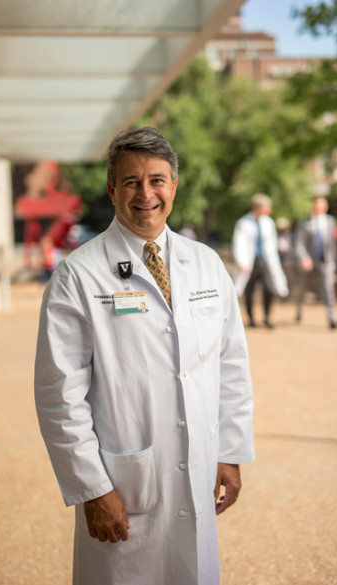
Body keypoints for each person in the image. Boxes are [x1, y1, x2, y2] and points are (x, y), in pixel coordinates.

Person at [34, 127, 255, 585]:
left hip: (195, 472)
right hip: (123, 481)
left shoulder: (207, 264)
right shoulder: (79, 275)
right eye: (131, 181)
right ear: (112, 189)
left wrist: (230, 450)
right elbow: (59, 393)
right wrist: (93, 488)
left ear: (174, 186)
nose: (146, 193)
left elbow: (230, 363)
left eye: (157, 180)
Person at [232, 193, 289, 329]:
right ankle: (251, 318)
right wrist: (242, 262)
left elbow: (272, 242)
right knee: (249, 290)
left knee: (269, 288)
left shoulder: (268, 222)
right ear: (258, 207)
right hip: (250, 262)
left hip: (266, 260)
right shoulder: (243, 222)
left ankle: (267, 317)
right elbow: (238, 243)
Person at [294, 196, 337, 329]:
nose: (318, 207)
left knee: (328, 290)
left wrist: (333, 263)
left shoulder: (330, 221)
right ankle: (299, 311)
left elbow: (332, 245)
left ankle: (332, 318)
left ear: (325, 207)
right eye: (316, 204)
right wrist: (303, 258)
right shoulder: (304, 222)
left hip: (325, 261)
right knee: (302, 289)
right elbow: (299, 243)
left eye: (321, 204)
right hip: (308, 262)